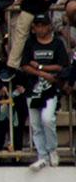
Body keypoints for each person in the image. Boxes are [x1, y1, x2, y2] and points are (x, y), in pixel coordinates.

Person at [20, 15, 67, 170]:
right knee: (35, 124)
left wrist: (40, 67)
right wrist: (43, 73)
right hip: (33, 88)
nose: (40, 29)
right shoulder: (31, 43)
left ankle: (52, 150)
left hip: (50, 89)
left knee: (47, 119)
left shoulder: (57, 43)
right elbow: (25, 65)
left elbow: (61, 65)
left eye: (43, 25)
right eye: (37, 26)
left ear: (49, 26)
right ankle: (42, 156)